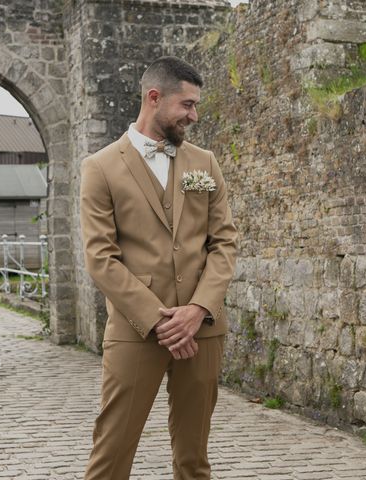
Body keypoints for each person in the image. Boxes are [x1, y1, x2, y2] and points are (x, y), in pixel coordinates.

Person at [80, 56, 238, 479]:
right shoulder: (100, 167)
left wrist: (198, 309)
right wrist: (160, 321)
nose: (194, 115)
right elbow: (100, 257)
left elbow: (224, 244)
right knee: (112, 454)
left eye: (195, 105)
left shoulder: (205, 164)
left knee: (194, 458)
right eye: (186, 105)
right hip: (136, 331)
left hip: (203, 330)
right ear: (154, 98)